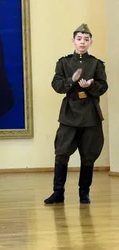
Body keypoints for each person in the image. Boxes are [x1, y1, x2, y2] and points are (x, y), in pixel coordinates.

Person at [44, 23, 108, 205]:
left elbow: (103, 86)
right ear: (73, 41)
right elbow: (56, 85)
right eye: (79, 39)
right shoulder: (63, 63)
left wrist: (91, 86)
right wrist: (71, 81)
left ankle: (84, 193)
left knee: (88, 154)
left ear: (91, 42)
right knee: (62, 152)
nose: (82, 42)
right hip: (69, 113)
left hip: (90, 113)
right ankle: (58, 193)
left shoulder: (96, 64)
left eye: (86, 40)